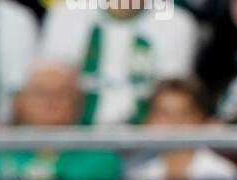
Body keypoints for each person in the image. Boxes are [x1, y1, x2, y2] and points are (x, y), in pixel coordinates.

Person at [35, 0, 198, 125]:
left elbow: (172, 100)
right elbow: (47, 91)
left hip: (146, 147)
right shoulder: (65, 15)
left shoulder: (177, 22)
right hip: (75, 143)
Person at [0, 60, 120, 180]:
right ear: (20, 101)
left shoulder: (99, 155)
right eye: (40, 93)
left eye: (62, 93)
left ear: (78, 102)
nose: (50, 101)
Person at [127, 77, 237, 180]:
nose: (174, 122)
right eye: (164, 113)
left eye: (184, 113)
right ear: (150, 119)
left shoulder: (221, 174)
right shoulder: (134, 173)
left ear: (199, 118)